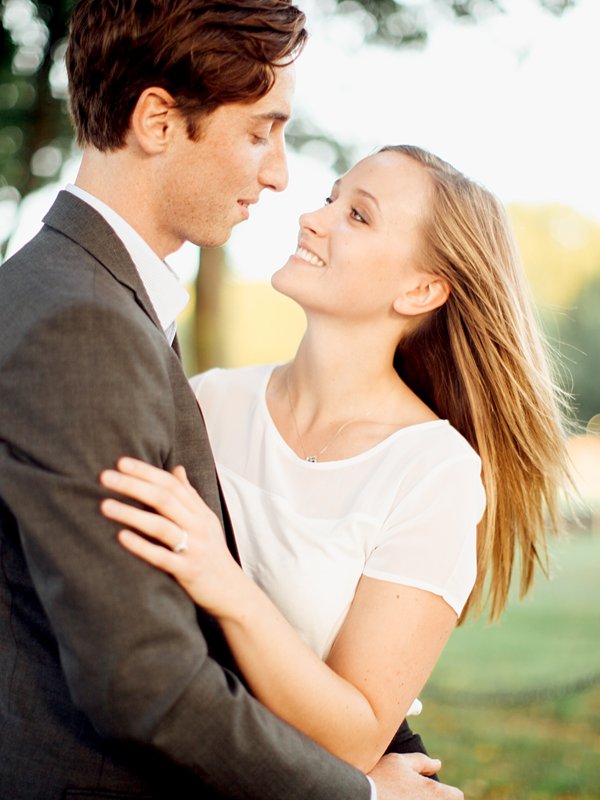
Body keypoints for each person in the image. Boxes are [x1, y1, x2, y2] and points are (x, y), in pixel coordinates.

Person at [0, 1, 456, 798]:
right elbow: (146, 681)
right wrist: (366, 796)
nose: (280, 176)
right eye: (259, 132)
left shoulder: (88, 299)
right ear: (157, 122)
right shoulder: (82, 323)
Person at [99, 144, 571, 774]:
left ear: (422, 288)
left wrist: (223, 582)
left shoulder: (434, 473)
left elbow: (356, 738)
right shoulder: (207, 401)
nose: (312, 218)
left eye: (358, 216)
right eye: (331, 198)